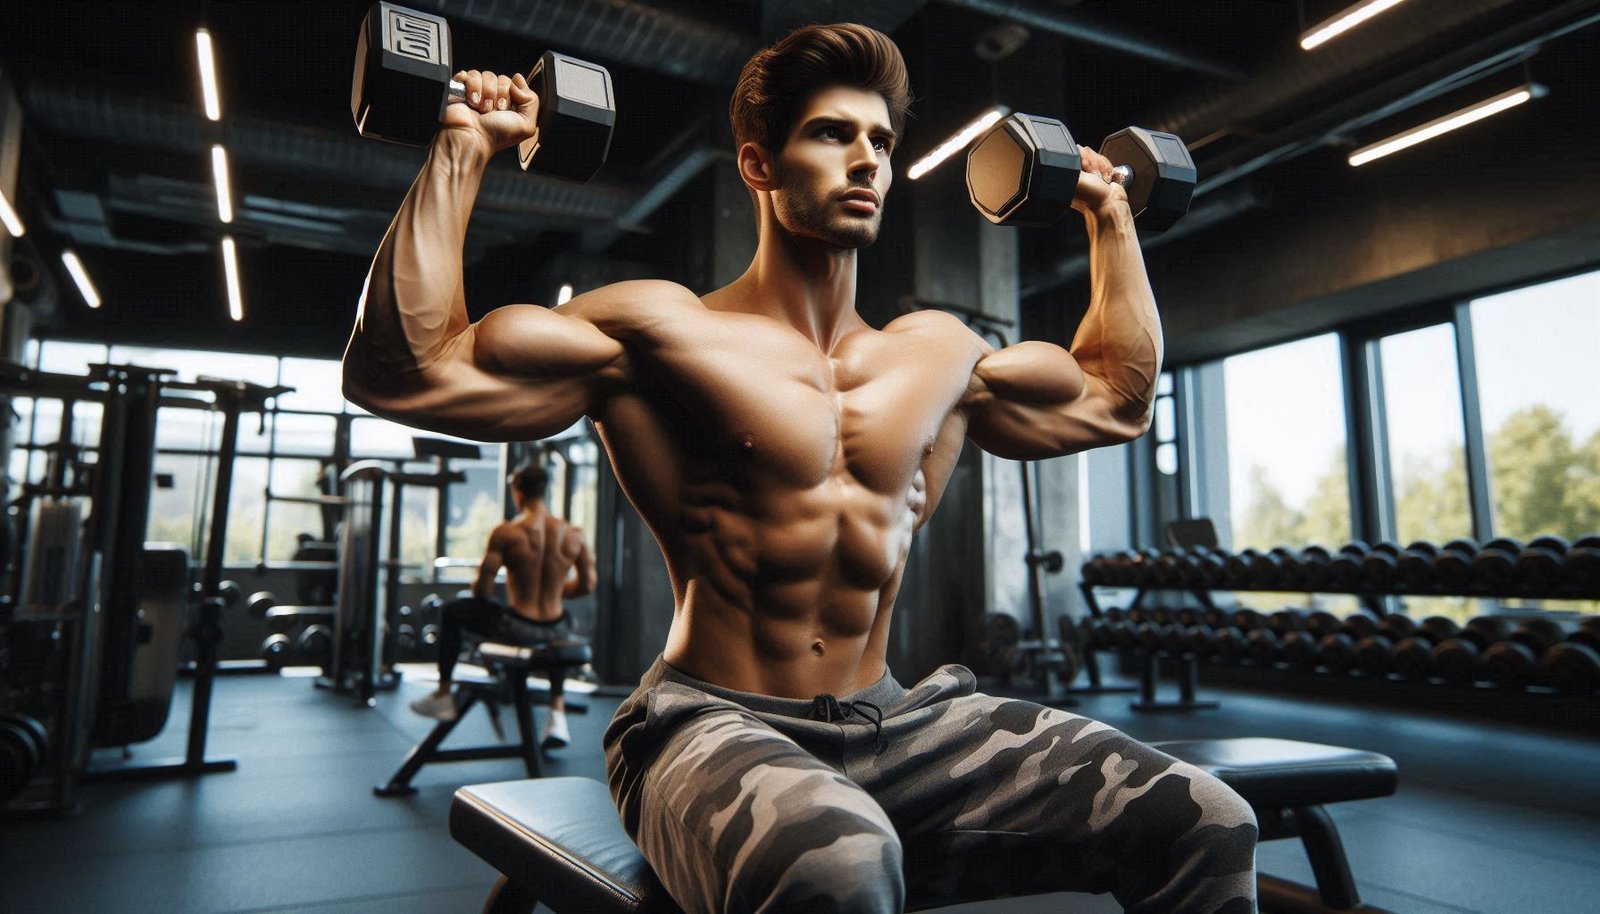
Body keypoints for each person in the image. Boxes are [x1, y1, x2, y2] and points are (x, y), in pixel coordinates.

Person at [346, 22, 1258, 914]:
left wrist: (1109, 214)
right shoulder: (658, 331)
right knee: (840, 865)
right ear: (759, 164)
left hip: (899, 723)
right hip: (705, 725)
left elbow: (1117, 398)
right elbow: (407, 372)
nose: (867, 159)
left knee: (1205, 819)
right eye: (832, 134)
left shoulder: (940, 356)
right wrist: (464, 145)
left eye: (882, 142)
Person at [408, 463, 595, 751]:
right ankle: (556, 714)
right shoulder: (574, 534)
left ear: (517, 492)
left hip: (518, 628)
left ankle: (443, 693)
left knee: (452, 610)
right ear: (545, 492)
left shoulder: (508, 533)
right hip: (557, 629)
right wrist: (556, 589)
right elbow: (586, 586)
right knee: (559, 623)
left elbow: (481, 589)